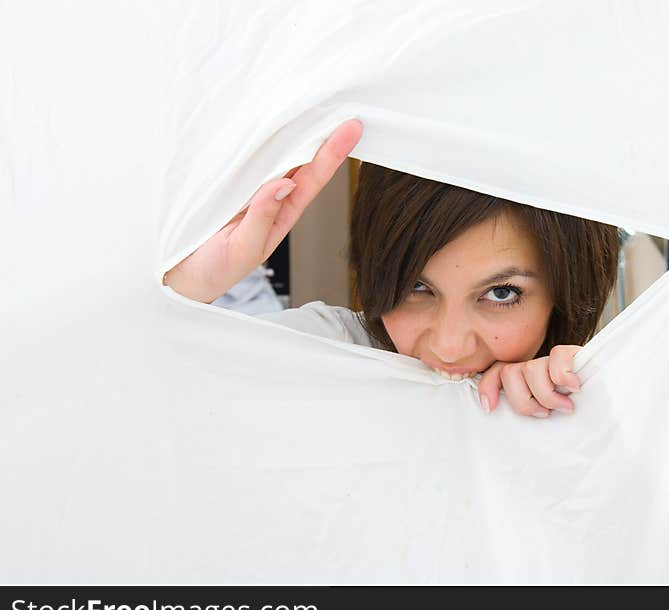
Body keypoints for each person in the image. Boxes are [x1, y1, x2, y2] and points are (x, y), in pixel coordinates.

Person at [164, 119, 619, 419]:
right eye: (418, 287)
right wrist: (188, 289)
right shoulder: (333, 351)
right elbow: (139, 400)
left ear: (565, 288)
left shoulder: (587, 391)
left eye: (501, 293)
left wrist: (579, 408)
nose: (451, 347)